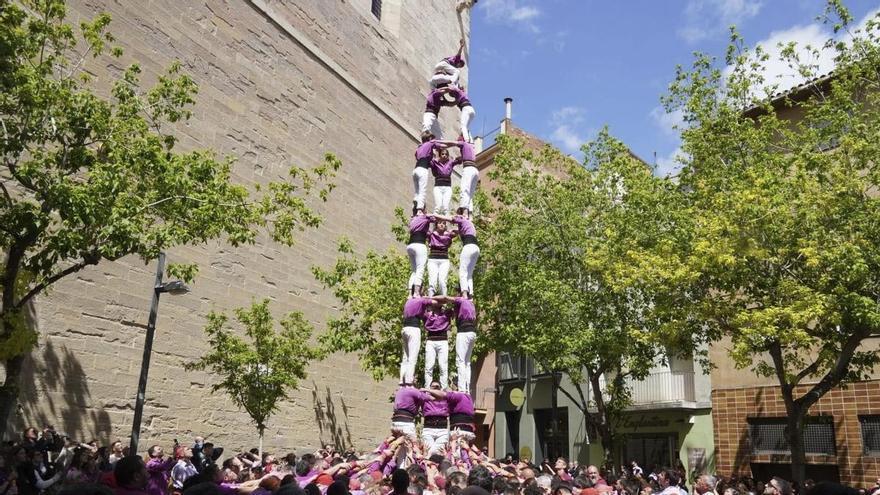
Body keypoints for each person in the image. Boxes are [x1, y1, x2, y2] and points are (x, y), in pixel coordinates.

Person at [433, 293, 476, 393]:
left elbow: (445, 298)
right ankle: (467, 388)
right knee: (467, 362)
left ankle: (462, 389)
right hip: (472, 332)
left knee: (460, 361)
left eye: (457, 291)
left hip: (464, 332)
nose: (456, 294)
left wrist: (429, 298)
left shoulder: (461, 299)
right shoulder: (471, 303)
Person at [400, 295, 436, 386]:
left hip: (405, 328)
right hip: (413, 328)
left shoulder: (408, 301)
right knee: (412, 357)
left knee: (405, 357)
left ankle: (401, 380)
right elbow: (434, 302)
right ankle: (409, 381)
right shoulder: (421, 300)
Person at [413, 134, 449, 216]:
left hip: (416, 170)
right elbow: (443, 145)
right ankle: (419, 210)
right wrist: (454, 144)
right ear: (430, 138)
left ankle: (415, 204)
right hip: (423, 169)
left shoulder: (419, 147)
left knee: (417, 192)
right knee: (422, 190)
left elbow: (417, 156)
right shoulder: (431, 143)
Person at [423, 299, 454, 390]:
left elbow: (453, 305)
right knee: (429, 366)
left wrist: (445, 299)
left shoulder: (447, 313)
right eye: (435, 301)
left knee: (443, 366)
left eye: (439, 302)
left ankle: (444, 389)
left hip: (443, 341)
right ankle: (428, 388)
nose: (437, 304)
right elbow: (422, 305)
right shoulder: (427, 314)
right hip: (431, 341)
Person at [406, 212, 438, 298]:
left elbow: (426, 232)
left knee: (414, 271)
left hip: (410, 245)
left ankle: (409, 294)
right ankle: (416, 292)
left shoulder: (413, 219)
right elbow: (435, 218)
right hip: (419, 245)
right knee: (420, 270)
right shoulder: (424, 216)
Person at [426, 220, 457, 297]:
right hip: (433, 260)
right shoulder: (431, 234)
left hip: (444, 261)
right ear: (436, 224)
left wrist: (454, 221)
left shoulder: (448, 235)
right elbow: (423, 228)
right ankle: (431, 299)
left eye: (444, 223)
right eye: (440, 223)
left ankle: (443, 300)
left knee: (442, 281)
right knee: (432, 281)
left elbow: (459, 230)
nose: (442, 225)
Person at [452, 214, 479, 299]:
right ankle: (470, 294)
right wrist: (455, 231)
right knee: (469, 274)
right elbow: (460, 231)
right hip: (476, 248)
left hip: (468, 246)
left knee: (462, 272)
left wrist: (435, 215)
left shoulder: (463, 220)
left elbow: (451, 218)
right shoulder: (469, 225)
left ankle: (464, 293)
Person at [450, 140, 478, 219]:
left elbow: (450, 142)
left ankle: (465, 212)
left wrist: (438, 142)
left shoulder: (464, 143)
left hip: (468, 168)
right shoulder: (471, 148)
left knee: (464, 190)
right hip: (475, 170)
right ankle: (470, 214)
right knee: (470, 195)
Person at [420, 382, 449, 457]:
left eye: (437, 386)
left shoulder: (445, 398)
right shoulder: (425, 398)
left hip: (442, 429)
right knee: (429, 450)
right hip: (428, 428)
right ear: (430, 388)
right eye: (433, 386)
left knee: (438, 452)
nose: (435, 388)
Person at [431, 148, 455, 215]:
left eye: (446, 154)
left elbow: (459, 160)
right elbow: (430, 163)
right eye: (442, 154)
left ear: (448, 156)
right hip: (438, 186)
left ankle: (446, 220)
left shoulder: (451, 162)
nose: (444, 155)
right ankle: (435, 218)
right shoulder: (435, 162)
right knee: (438, 205)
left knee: (445, 206)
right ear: (440, 155)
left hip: (447, 187)